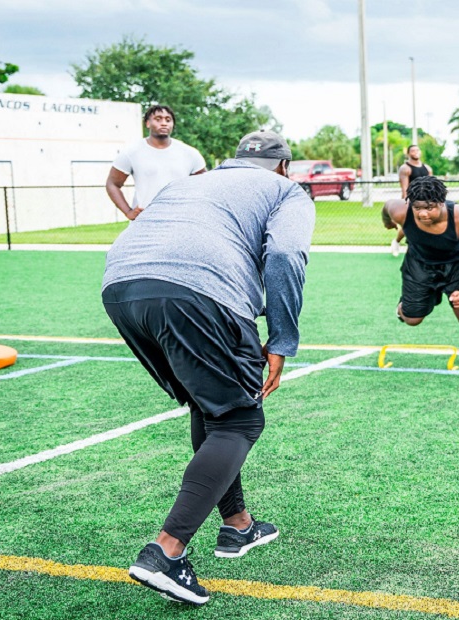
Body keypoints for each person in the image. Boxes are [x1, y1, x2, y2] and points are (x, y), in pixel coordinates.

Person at [103, 130, 314, 606]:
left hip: (120, 286)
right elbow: (284, 255)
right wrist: (280, 338)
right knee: (240, 418)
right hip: (197, 290)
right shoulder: (285, 190)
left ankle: (238, 526)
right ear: (283, 166)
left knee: (211, 405)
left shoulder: (191, 182)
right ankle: (165, 551)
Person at [381, 175, 459, 366]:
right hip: (420, 264)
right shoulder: (401, 211)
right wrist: (387, 223)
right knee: (412, 319)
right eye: (417, 208)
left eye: (429, 208)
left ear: (441, 203)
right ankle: (407, 305)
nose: (423, 214)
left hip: (456, 266)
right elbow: (386, 208)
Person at [105, 105, 207, 221]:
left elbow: (205, 185)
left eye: (168, 120)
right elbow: (112, 184)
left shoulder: (190, 153)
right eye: (158, 119)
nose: (164, 123)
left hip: (180, 220)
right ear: (147, 123)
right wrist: (128, 212)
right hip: (145, 220)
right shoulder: (132, 152)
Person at [389, 144, 433, 257]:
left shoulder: (427, 168)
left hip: (426, 201)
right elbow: (405, 188)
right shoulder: (405, 168)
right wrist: (405, 203)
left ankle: (424, 248)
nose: (416, 152)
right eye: (413, 151)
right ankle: (397, 242)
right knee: (409, 225)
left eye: (417, 150)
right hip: (413, 201)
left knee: (427, 224)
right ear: (408, 154)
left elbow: (431, 186)